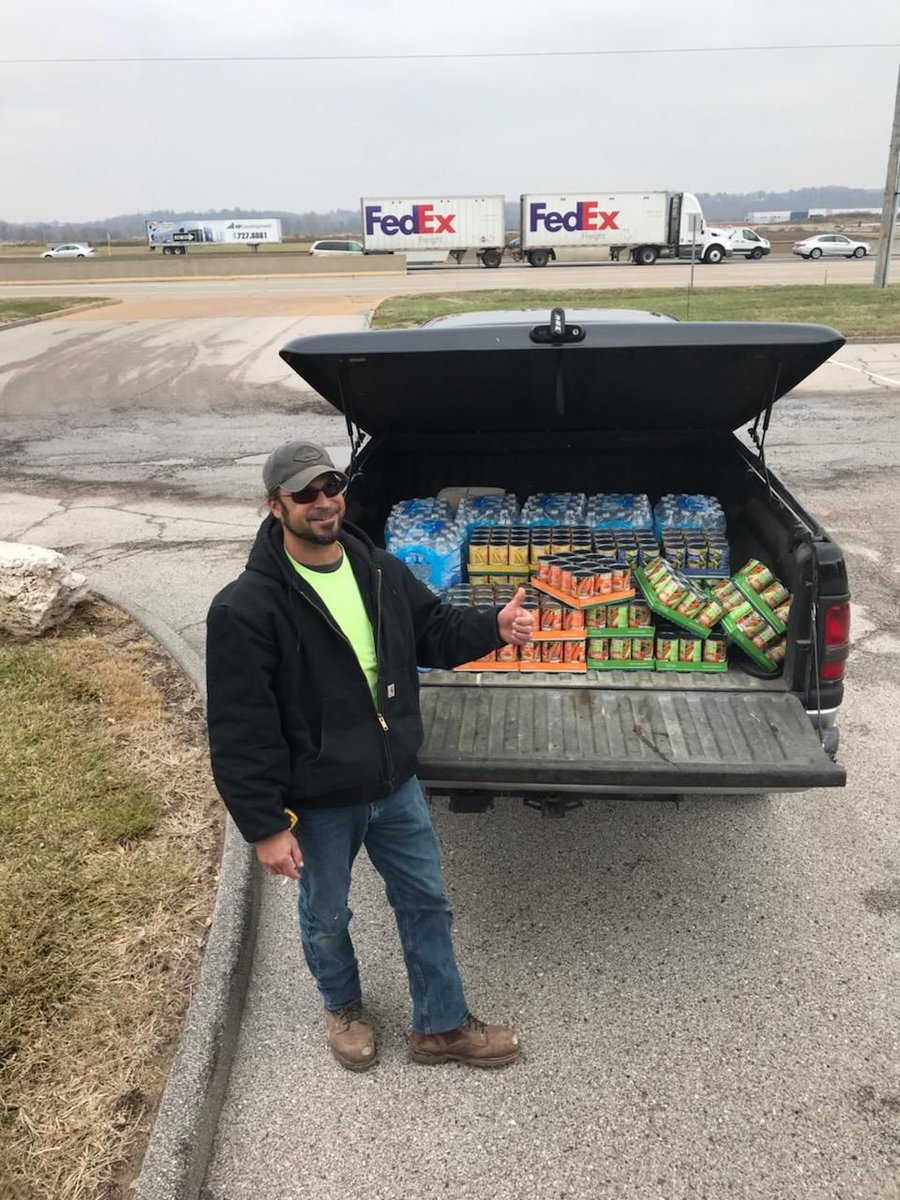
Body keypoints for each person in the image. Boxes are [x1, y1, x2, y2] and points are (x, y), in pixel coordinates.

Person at [206, 439, 534, 1072]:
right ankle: (344, 1007)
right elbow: (240, 729)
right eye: (305, 494)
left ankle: (441, 1025)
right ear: (276, 507)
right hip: (321, 797)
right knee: (327, 912)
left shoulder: (376, 568)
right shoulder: (247, 607)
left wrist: (493, 627)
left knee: (426, 903)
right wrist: (266, 826)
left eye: (330, 486)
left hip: (393, 781)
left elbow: (433, 629)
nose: (324, 502)